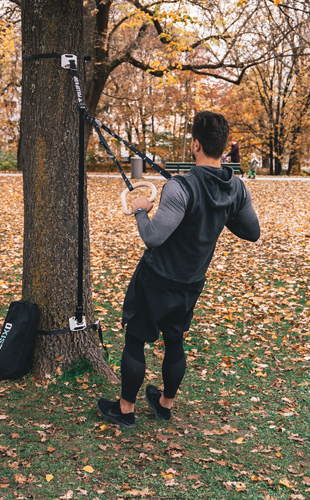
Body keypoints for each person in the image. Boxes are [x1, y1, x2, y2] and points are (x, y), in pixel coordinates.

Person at [97, 111, 260, 428]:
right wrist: (222, 213)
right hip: (191, 282)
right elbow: (252, 231)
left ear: (196, 144)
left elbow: (153, 237)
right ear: (222, 147)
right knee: (175, 341)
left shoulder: (179, 187)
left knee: (135, 340)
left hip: (157, 280)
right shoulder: (236, 188)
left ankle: (126, 410)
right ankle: (164, 405)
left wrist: (141, 211)